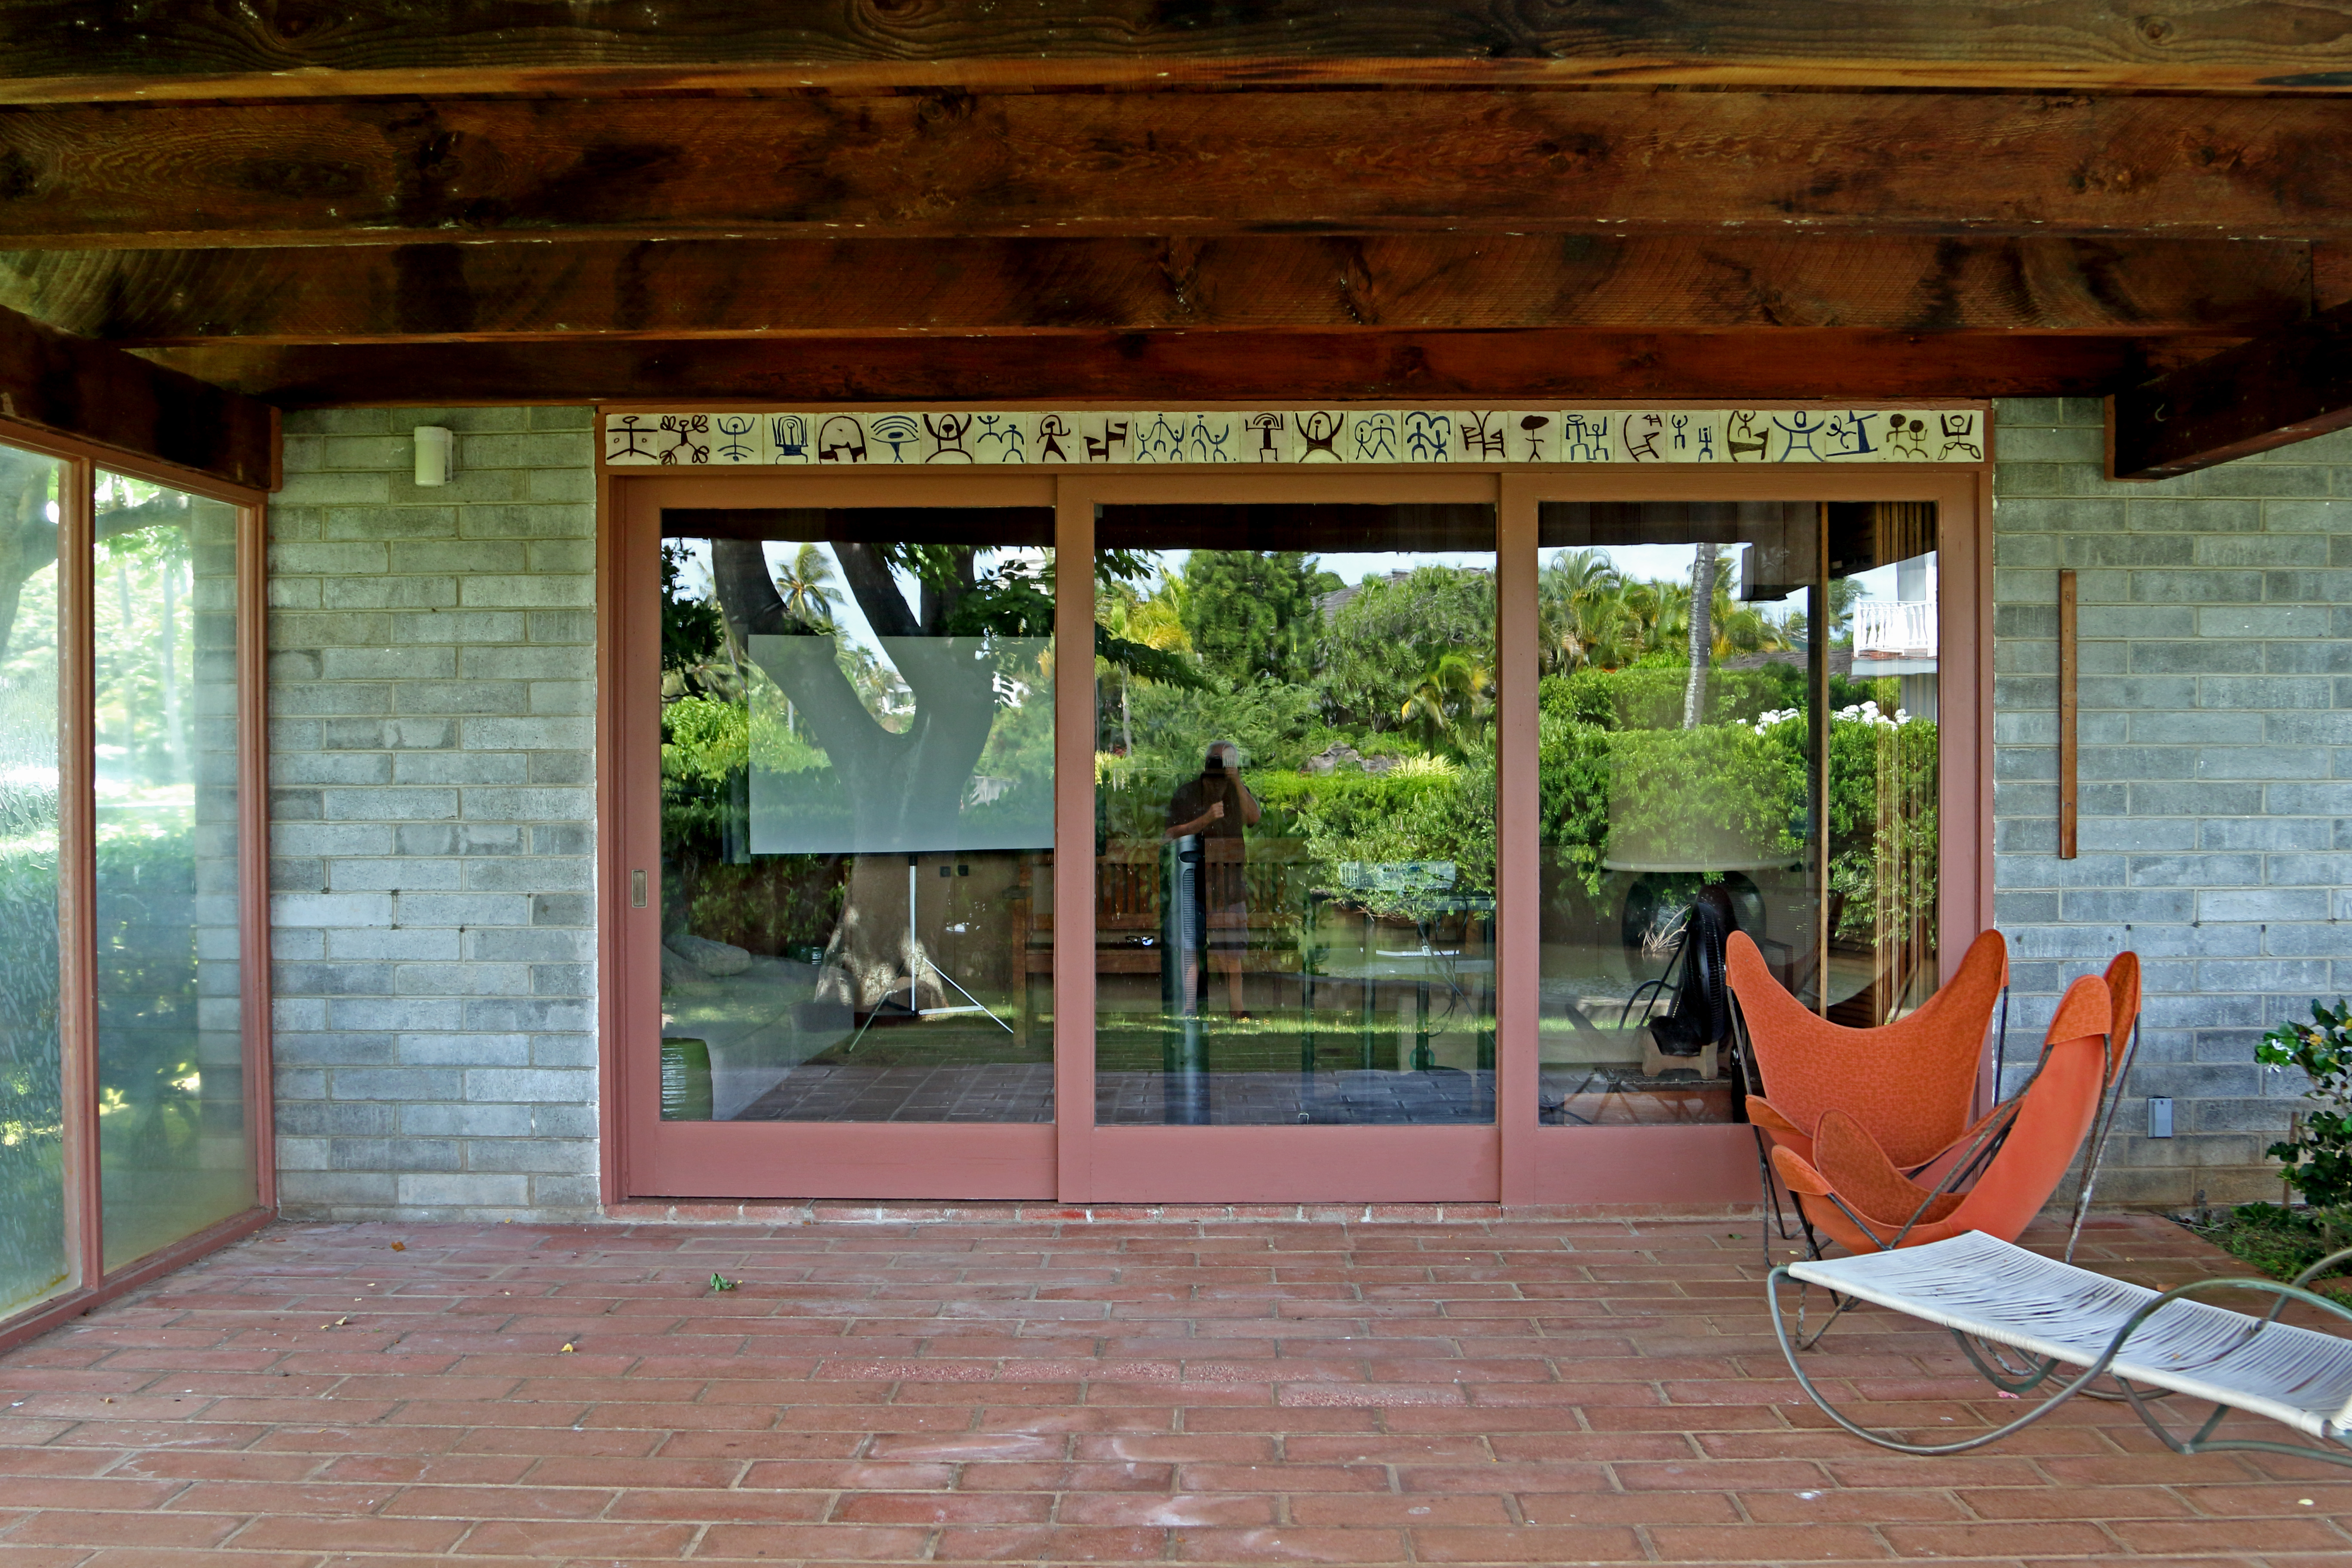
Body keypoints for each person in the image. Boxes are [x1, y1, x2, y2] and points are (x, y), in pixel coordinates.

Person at [1165, 741, 1261, 1019]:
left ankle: (1237, 1009)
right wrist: (1204, 820)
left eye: (1228, 760)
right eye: (1218, 761)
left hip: (1229, 887)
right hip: (1194, 884)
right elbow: (1169, 834)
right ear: (1207, 764)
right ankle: (1190, 1008)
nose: (1221, 767)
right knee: (1190, 946)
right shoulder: (1189, 794)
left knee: (1233, 951)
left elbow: (1253, 817)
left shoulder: (1237, 791)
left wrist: (1238, 781)